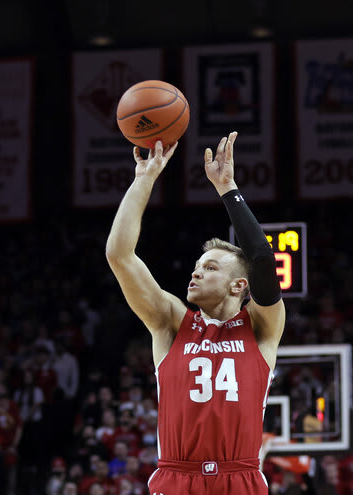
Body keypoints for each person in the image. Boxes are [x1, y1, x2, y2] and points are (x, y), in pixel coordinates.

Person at [105, 132, 285, 494]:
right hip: (176, 475)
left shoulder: (261, 326)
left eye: (211, 268)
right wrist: (144, 179)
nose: (196, 272)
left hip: (242, 476)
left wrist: (228, 188)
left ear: (238, 286)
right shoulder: (171, 321)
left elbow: (262, 260)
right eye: (197, 266)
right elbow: (119, 255)